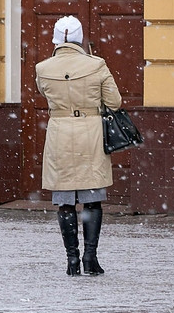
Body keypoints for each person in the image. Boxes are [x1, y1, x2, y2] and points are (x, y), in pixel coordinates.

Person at [35, 15, 122, 277]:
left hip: (60, 134)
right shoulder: (96, 65)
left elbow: (44, 93)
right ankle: (90, 258)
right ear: (79, 37)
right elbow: (115, 102)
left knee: (65, 202)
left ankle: (71, 260)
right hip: (90, 134)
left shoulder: (42, 68)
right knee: (92, 200)